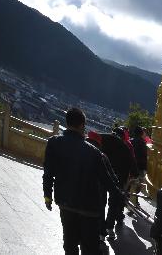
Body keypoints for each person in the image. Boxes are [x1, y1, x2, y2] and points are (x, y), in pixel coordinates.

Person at [43, 108, 124, 255]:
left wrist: (47, 196)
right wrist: (120, 196)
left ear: (67, 122)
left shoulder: (54, 143)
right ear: (81, 125)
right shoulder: (94, 152)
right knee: (89, 248)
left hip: (65, 203)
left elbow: (48, 173)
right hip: (89, 209)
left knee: (69, 243)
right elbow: (107, 181)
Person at [129, 126, 149, 204]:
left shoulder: (131, 141)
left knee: (133, 183)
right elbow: (144, 155)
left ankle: (133, 199)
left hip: (132, 165)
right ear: (141, 133)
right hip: (140, 167)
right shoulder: (142, 143)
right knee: (137, 184)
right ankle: (133, 200)